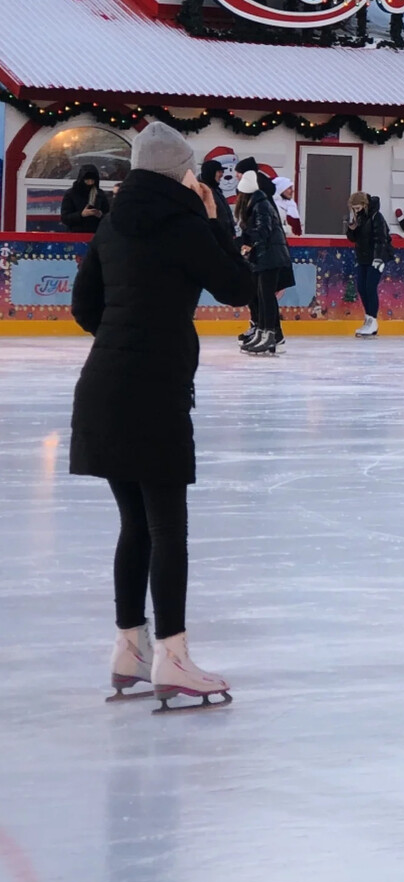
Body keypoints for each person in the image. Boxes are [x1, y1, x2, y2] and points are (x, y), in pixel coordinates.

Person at [68, 120, 253, 709]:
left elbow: (83, 308)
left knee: (136, 524)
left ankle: (132, 647)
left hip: (103, 385)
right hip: (155, 390)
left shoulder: (113, 226)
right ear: (183, 172)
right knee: (168, 527)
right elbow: (238, 287)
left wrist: (127, 337)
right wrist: (216, 221)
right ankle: (173, 656)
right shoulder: (183, 225)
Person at [235, 168, 293, 357]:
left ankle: (270, 334)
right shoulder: (258, 204)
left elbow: (263, 231)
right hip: (264, 256)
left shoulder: (260, 205)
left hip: (270, 256)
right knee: (261, 296)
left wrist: (247, 242)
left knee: (266, 297)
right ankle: (266, 333)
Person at [345, 191, 393, 338]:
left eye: (358, 208)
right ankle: (368, 319)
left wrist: (378, 258)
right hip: (363, 258)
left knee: (370, 287)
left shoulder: (376, 217)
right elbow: (354, 239)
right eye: (354, 208)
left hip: (376, 258)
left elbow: (382, 238)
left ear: (365, 205)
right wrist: (351, 230)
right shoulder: (359, 218)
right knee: (362, 287)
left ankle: (372, 320)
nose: (356, 211)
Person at [61, 163, 111, 236]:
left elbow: (108, 215)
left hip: (96, 234)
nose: (90, 183)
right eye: (87, 180)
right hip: (76, 235)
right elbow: (65, 218)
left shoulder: (100, 194)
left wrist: (100, 215)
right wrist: (81, 214)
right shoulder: (71, 194)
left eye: (92, 180)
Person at [198, 156, 236, 238]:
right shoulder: (202, 191)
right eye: (219, 171)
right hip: (216, 237)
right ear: (211, 172)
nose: (222, 174)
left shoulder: (216, 189)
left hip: (225, 236)